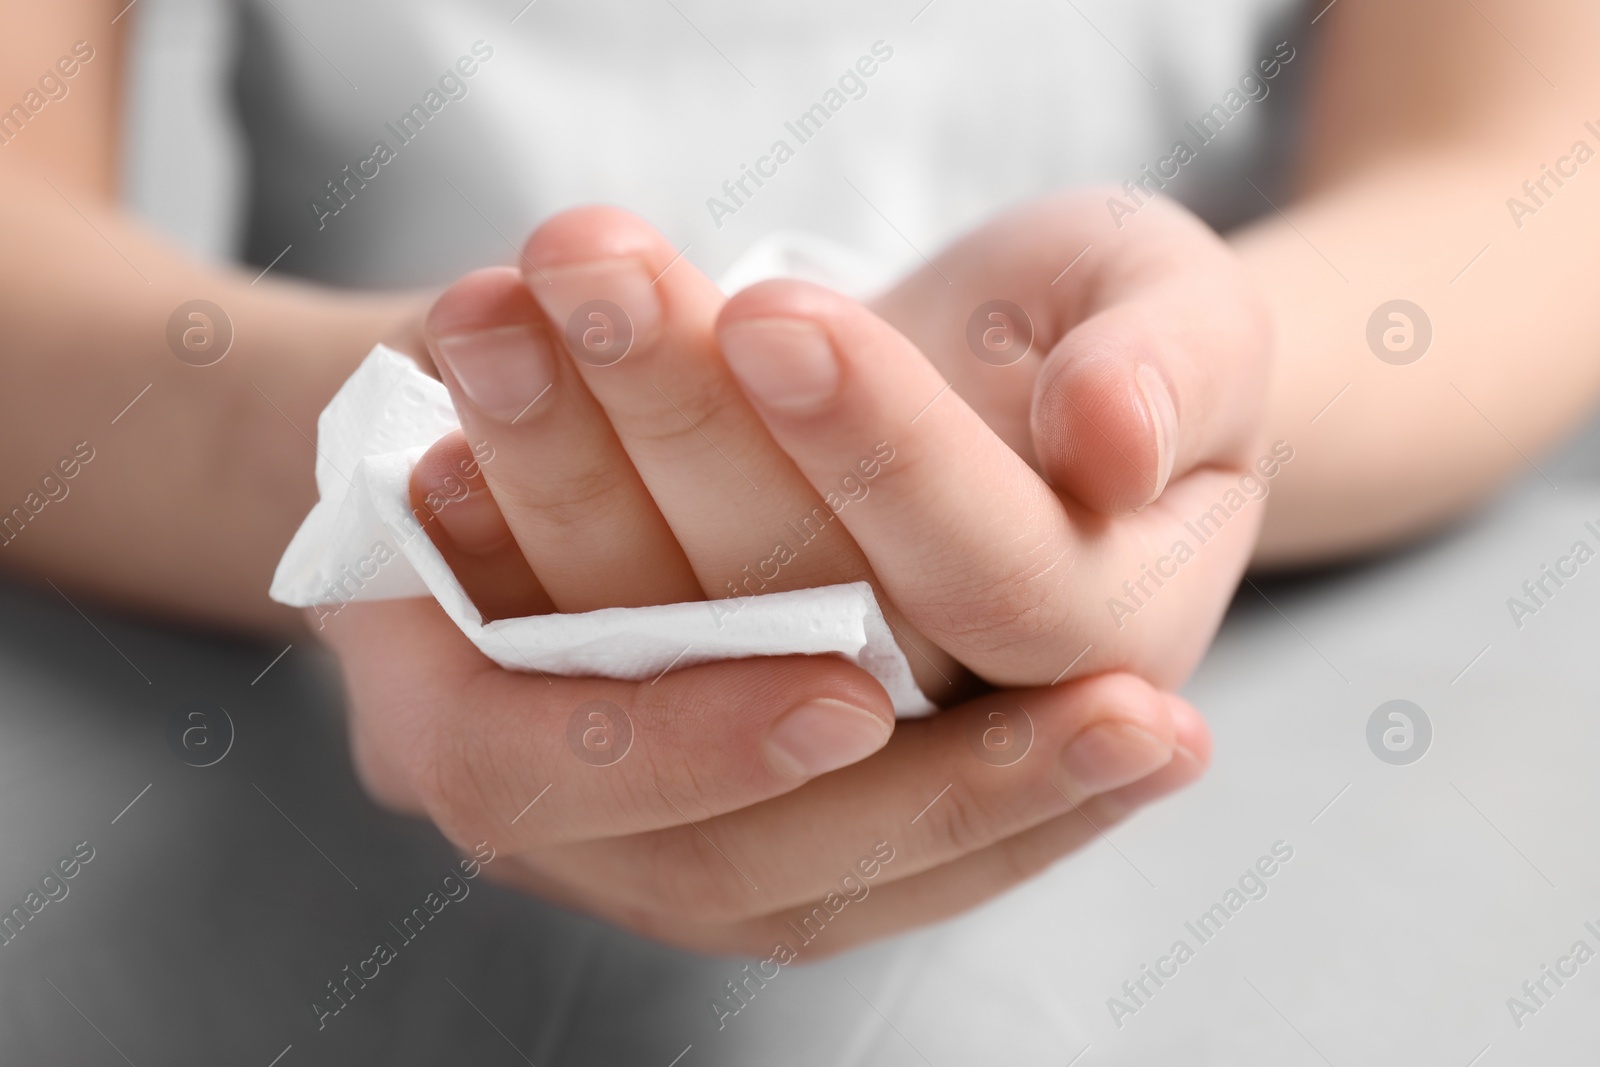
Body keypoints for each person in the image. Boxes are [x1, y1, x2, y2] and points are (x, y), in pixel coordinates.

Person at [2, 0, 1598, 1039]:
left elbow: (1527, 171)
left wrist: (1190, 396)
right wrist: (387, 488)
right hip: (263, 708)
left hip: (1309, 673)